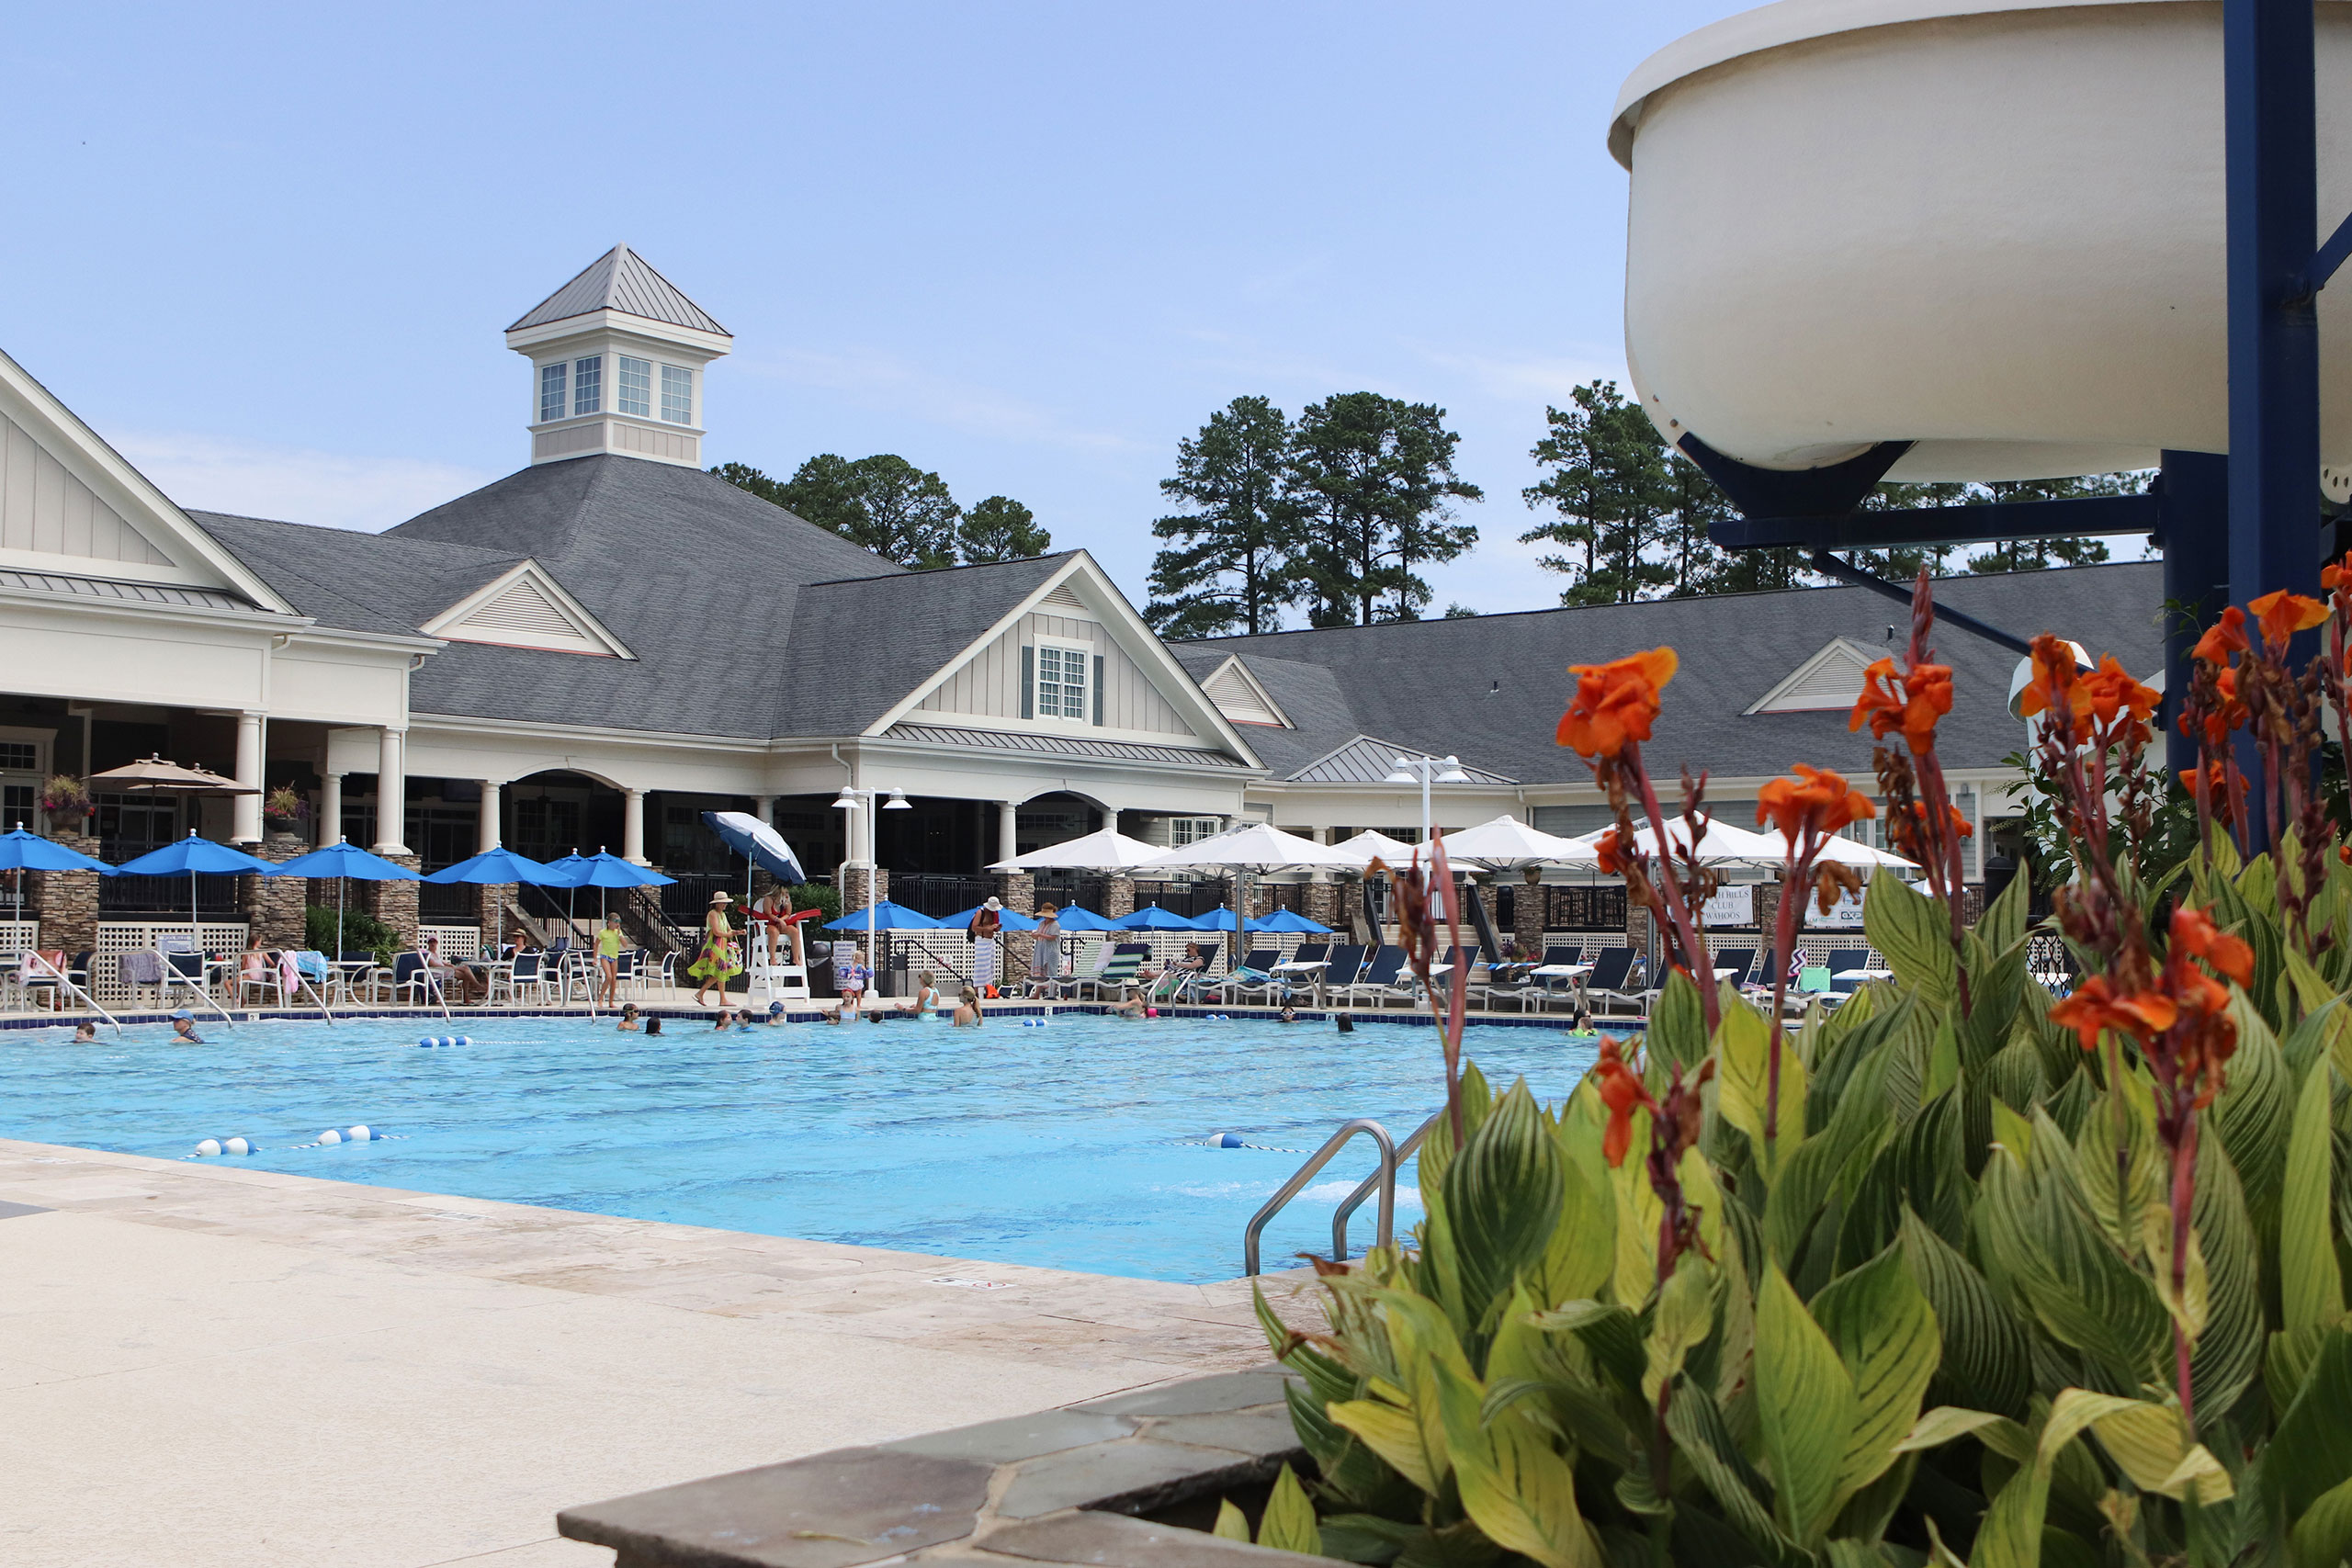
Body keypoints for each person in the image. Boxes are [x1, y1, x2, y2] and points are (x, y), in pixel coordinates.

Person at [689, 891, 744, 1007]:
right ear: (717, 904)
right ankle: (719, 998)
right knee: (720, 970)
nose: (724, 905)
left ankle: (704, 994)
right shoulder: (713, 914)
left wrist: (738, 932)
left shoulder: (723, 915)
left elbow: (729, 929)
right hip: (714, 945)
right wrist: (728, 935)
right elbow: (716, 932)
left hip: (722, 945)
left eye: (725, 903)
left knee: (719, 971)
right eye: (722, 903)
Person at [420, 935, 487, 1006]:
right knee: (465, 970)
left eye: (434, 942)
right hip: (438, 972)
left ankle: (469, 995)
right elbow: (434, 964)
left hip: (444, 970)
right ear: (428, 943)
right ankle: (477, 986)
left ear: (437, 943)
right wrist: (451, 967)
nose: (432, 944)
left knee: (466, 972)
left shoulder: (435, 954)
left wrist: (450, 965)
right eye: (431, 942)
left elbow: (442, 962)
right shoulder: (427, 954)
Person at [1025, 906, 1064, 998]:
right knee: (1040, 972)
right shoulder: (1042, 923)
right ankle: (1037, 994)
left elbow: (1053, 937)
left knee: (1051, 971)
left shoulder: (1055, 925)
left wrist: (1040, 934)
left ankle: (1052, 994)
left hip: (1051, 949)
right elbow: (1038, 935)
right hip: (1041, 948)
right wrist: (1035, 935)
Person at [968, 897, 1002, 997]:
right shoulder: (980, 912)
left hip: (990, 940)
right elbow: (974, 927)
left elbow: (993, 929)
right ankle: (976, 990)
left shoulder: (994, 914)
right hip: (981, 939)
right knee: (980, 966)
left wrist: (996, 928)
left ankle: (988, 988)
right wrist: (987, 928)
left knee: (990, 966)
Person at [595, 915, 626, 1008]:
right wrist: (594, 958)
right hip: (605, 956)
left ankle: (611, 1002)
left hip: (614, 957)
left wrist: (620, 934)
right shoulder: (603, 932)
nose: (617, 924)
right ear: (609, 922)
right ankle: (600, 999)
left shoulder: (618, 933)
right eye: (615, 921)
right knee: (608, 977)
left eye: (618, 922)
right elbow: (596, 945)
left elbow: (625, 945)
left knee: (613, 980)